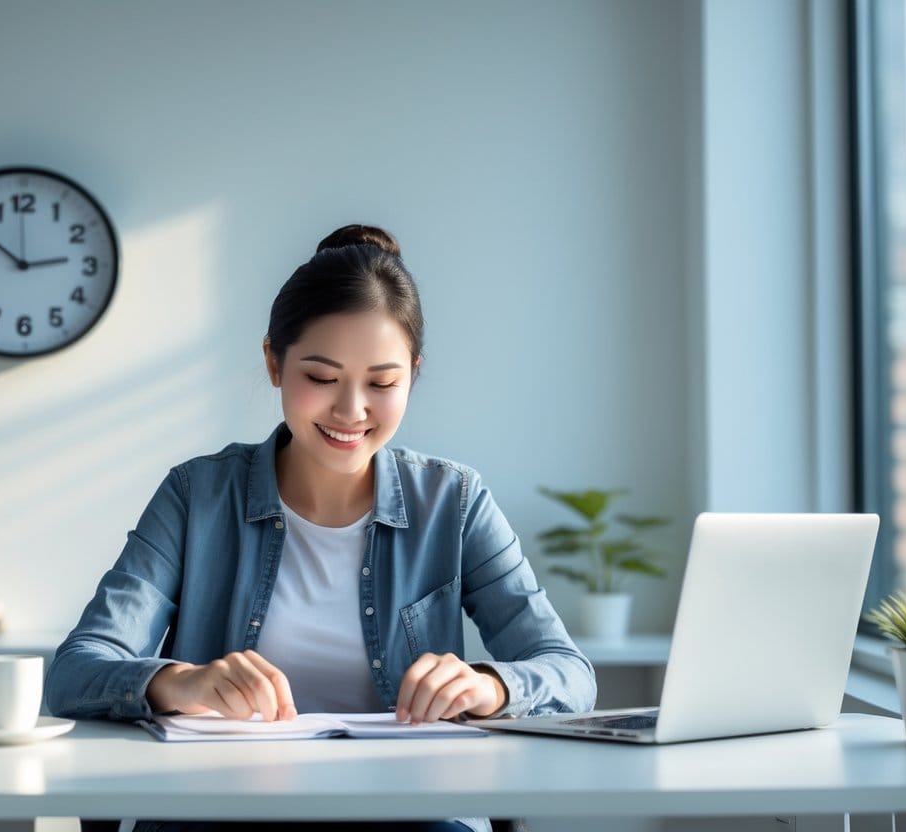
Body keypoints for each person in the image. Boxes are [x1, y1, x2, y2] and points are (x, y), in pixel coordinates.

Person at [44, 224, 597, 832]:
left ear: (413, 373)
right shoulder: (197, 495)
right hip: (216, 812)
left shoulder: (455, 502)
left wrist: (488, 687)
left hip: (410, 816)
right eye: (321, 378)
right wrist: (181, 682)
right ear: (273, 362)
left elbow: (568, 672)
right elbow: (77, 669)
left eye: (382, 383)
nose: (351, 410)